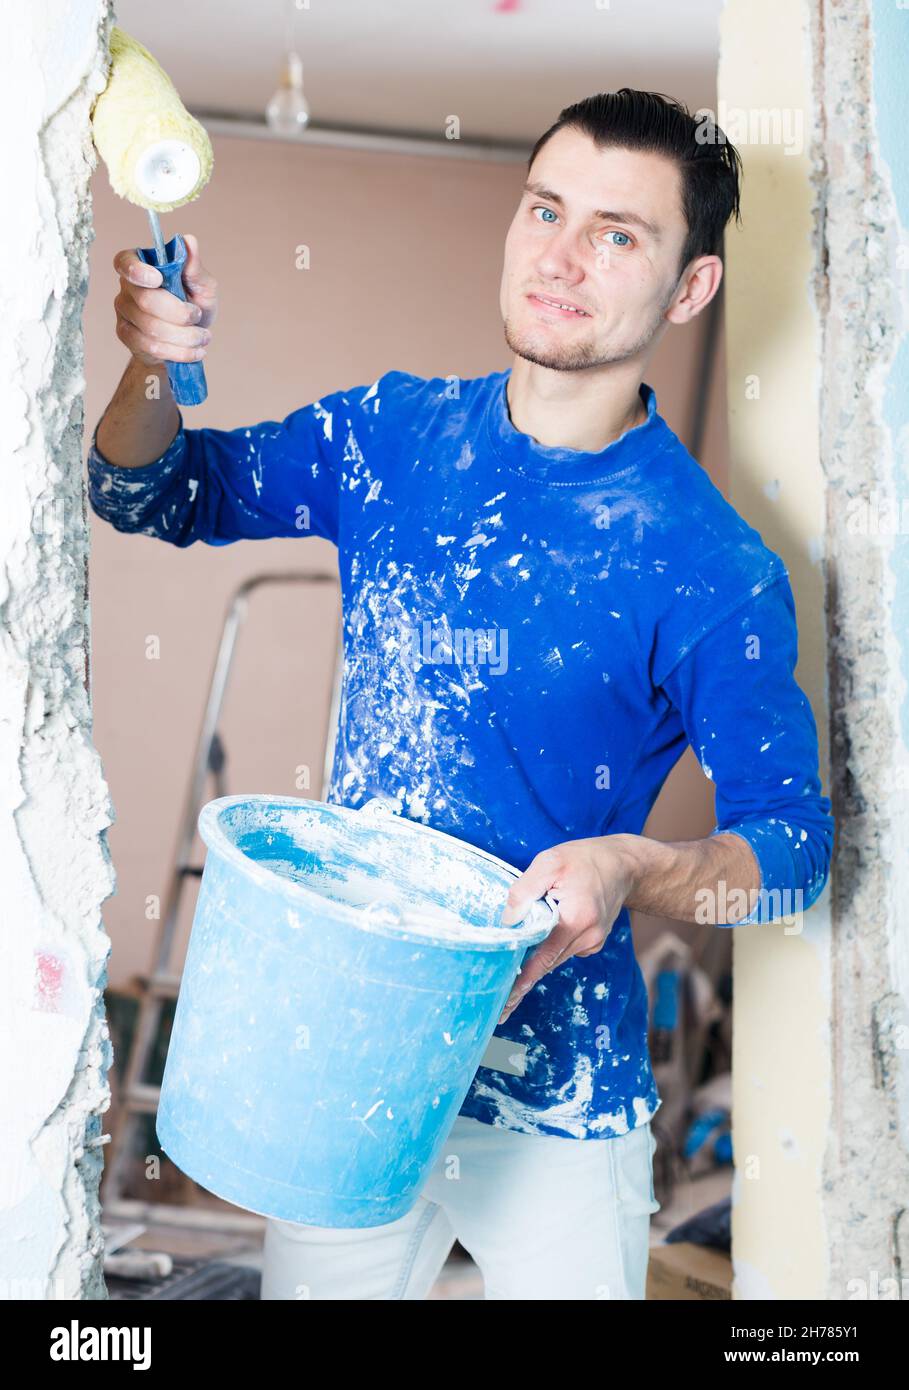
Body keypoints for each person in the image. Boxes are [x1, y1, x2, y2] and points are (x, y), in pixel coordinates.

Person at [88, 89, 834, 1300]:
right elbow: (146, 489)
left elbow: (795, 846)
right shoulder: (393, 437)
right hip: (357, 1057)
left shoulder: (712, 565)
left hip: (561, 1095)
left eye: (619, 234)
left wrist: (635, 868)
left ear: (689, 288)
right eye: (547, 209)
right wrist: (153, 364)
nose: (561, 255)